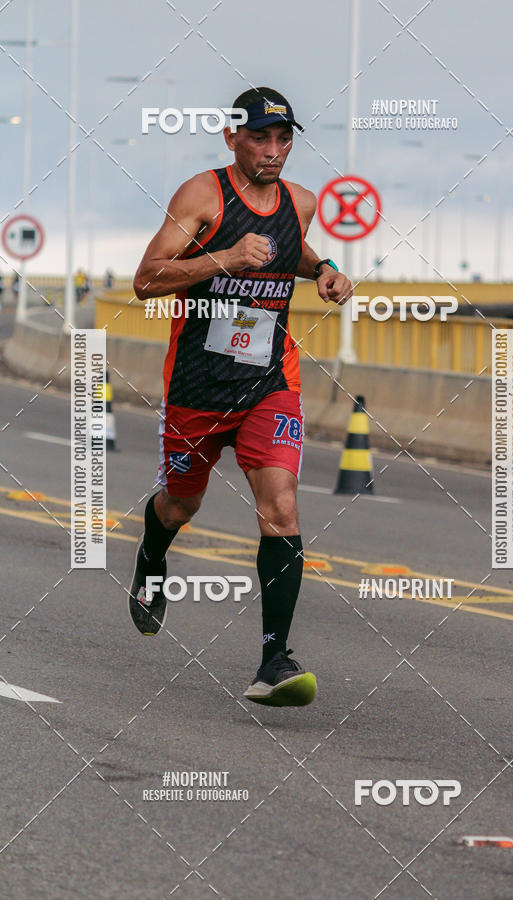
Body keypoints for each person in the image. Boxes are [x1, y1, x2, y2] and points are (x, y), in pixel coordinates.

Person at [129, 87, 352, 707]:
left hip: (269, 382)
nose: (273, 152)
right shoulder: (203, 195)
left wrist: (324, 270)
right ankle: (152, 553)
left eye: (284, 140)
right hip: (198, 385)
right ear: (232, 137)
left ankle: (274, 661)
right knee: (180, 504)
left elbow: (294, 248)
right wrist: (223, 257)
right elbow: (147, 279)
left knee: (281, 508)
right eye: (259, 138)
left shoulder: (300, 202)